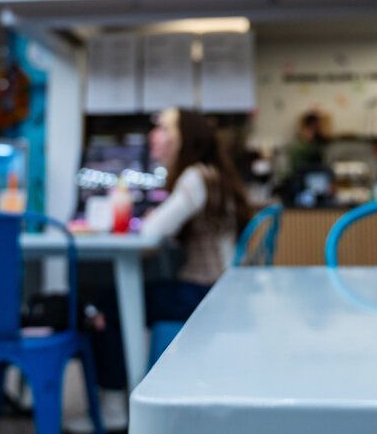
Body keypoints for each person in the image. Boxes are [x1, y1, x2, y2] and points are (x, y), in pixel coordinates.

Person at [80, 108, 250, 431]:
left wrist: (144, 220)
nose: (154, 136)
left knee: (107, 303)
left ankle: (114, 406)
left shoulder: (195, 177)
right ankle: (119, 398)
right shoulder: (212, 174)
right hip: (221, 290)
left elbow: (151, 232)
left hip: (204, 294)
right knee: (120, 299)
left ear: (185, 136)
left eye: (163, 128)